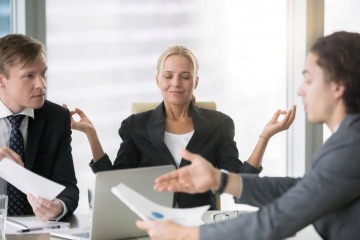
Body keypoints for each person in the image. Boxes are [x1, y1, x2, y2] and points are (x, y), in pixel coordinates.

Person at [136, 31, 360, 240]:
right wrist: (220, 180)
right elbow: (302, 189)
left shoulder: (351, 147)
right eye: (168, 76)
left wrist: (187, 234)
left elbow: (275, 220)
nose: (301, 90)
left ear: (338, 87)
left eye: (309, 80)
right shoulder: (347, 139)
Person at [69, 45, 295, 209]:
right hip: (151, 224)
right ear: (158, 80)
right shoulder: (136, 126)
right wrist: (91, 135)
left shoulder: (219, 124)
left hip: (200, 226)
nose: (176, 83)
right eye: (168, 76)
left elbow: (240, 184)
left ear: (196, 82)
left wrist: (265, 136)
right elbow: (115, 184)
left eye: (185, 77)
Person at [0, 34, 79, 221]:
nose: (41, 85)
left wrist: (59, 206)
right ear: (1, 80)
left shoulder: (56, 118)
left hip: (36, 230)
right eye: (29, 75)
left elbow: (68, 186)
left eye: (43, 73)